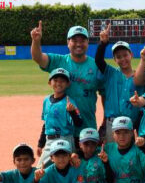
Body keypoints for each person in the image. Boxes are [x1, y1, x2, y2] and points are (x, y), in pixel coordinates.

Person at [30, 21, 104, 155]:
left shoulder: (96, 65)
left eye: (82, 40)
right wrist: (36, 41)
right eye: (74, 40)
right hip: (62, 131)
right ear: (68, 43)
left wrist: (104, 122)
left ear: (87, 43)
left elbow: (104, 93)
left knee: (86, 168)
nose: (79, 44)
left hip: (86, 127)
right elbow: (38, 58)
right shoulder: (59, 61)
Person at [95, 24, 145, 143]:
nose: (123, 59)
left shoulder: (139, 76)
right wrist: (103, 44)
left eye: (125, 55)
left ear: (131, 55)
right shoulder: (110, 72)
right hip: (112, 123)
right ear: (114, 60)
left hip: (132, 123)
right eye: (118, 57)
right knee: (113, 155)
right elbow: (98, 60)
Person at [37, 68, 82, 168]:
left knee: (66, 168)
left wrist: (72, 112)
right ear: (50, 82)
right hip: (49, 140)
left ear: (68, 84)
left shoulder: (70, 102)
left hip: (65, 139)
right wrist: (41, 144)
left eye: (62, 81)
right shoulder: (46, 101)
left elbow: (79, 123)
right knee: (40, 170)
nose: (59, 83)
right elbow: (46, 124)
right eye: (56, 80)